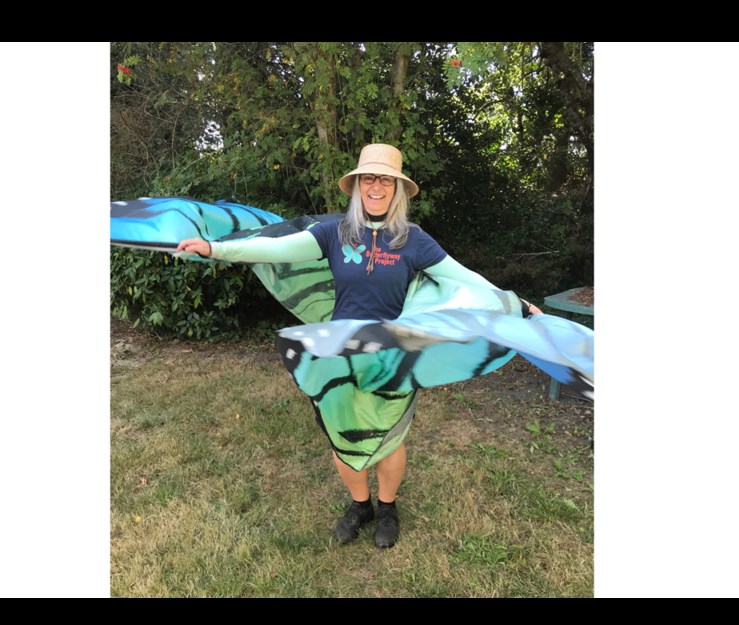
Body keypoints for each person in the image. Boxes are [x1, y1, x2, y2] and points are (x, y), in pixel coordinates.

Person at [178, 143, 541, 549]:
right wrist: (216, 249)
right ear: (356, 186)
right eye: (368, 178)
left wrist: (516, 302)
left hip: (390, 355)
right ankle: (360, 505)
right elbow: (275, 249)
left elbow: (465, 278)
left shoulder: (414, 240)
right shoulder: (333, 232)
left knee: (389, 437)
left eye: (385, 179)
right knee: (341, 432)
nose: (376, 186)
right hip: (340, 352)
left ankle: (388, 507)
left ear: (397, 189)